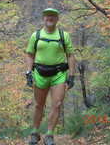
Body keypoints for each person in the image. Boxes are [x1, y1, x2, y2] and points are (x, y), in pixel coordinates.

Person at [25, 8, 76, 145]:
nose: (50, 18)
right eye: (47, 16)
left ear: (57, 19)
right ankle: (35, 132)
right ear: (43, 18)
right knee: (38, 105)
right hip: (40, 74)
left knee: (57, 105)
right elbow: (30, 54)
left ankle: (49, 134)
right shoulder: (35, 35)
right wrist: (28, 73)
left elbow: (71, 55)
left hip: (58, 74)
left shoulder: (63, 35)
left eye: (53, 16)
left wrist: (71, 75)